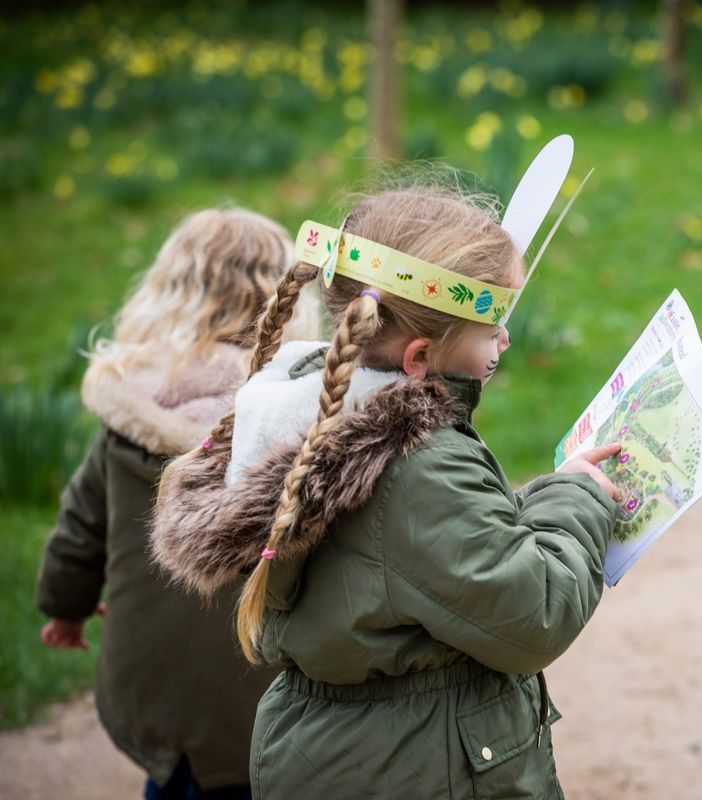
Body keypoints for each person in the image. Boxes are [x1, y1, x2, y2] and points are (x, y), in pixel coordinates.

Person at [150, 184, 622, 799]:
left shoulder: (309, 408)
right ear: (420, 357)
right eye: (492, 329)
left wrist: (533, 502)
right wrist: (576, 500)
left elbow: (426, 556)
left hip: (334, 754)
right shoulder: (416, 465)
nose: (504, 342)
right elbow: (532, 615)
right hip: (418, 768)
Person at [37, 207, 320, 800]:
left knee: (173, 783)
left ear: (167, 291)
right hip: (258, 688)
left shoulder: (132, 411)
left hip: (151, 678)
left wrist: (64, 609)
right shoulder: (290, 414)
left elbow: (80, 530)